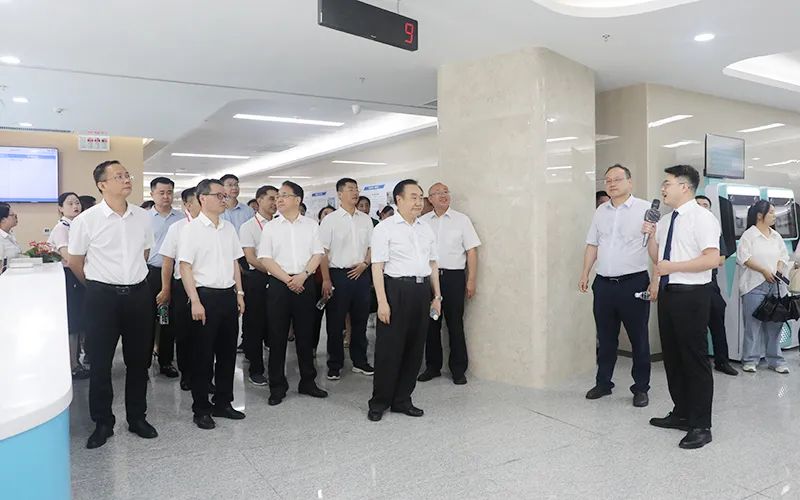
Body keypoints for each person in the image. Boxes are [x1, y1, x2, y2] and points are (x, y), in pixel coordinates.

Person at [68, 160, 158, 449]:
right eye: (118, 176)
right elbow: (75, 262)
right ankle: (103, 422)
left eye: (127, 175)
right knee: (100, 362)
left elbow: (144, 253)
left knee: (138, 361)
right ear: (102, 184)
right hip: (101, 298)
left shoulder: (143, 217)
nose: (126, 179)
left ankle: (137, 418)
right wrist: (98, 287)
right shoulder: (86, 220)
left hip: (139, 295)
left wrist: (129, 279)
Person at [646, 164, 720, 450]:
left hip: (692, 295)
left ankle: (701, 425)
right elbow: (658, 259)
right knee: (673, 357)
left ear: (685, 187)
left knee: (693, 358)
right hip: (668, 293)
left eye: (667, 183)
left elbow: (711, 259)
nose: (663, 188)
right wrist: (651, 235)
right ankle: (681, 413)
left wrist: (673, 267)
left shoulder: (702, 218)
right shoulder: (666, 221)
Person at [367, 179, 442, 422]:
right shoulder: (384, 228)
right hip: (395, 290)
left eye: (420, 197)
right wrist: (382, 302)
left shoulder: (426, 228)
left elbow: (433, 264)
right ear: (398, 200)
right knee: (389, 349)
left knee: (414, 349)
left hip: (421, 292)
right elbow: (377, 267)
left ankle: (402, 399)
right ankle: (379, 402)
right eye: (413, 197)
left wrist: (437, 296)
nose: (419, 202)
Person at [579, 165, 652, 407]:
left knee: (638, 338)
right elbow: (592, 244)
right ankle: (603, 383)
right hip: (604, 284)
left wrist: (656, 281)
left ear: (630, 182)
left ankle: (641, 388)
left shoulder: (645, 209)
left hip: (634, 282)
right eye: (608, 180)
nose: (611, 183)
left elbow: (657, 249)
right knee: (606, 337)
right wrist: (585, 273)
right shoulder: (601, 211)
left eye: (617, 179)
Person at [178, 179, 247, 430]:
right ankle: (201, 409)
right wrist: (195, 300)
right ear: (202, 198)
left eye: (224, 195)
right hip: (204, 297)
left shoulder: (228, 229)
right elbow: (185, 266)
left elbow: (234, 262)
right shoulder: (191, 230)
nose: (223, 199)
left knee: (227, 354)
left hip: (228, 295)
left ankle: (223, 403)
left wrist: (239, 293)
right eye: (218, 195)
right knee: (203, 356)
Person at [258, 181, 327, 406]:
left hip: (305, 283)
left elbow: (317, 254)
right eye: (278, 195)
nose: (279, 199)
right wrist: (288, 280)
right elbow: (265, 258)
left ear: (298, 200)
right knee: (277, 337)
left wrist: (303, 276)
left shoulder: (311, 225)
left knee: (305, 335)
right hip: (280, 284)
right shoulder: (271, 227)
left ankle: (308, 382)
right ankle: (277, 386)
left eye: (284, 195)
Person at [418, 183, 481, 385]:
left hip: (454, 277)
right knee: (431, 324)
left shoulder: (462, 220)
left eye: (445, 192)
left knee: (455, 324)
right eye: (438, 193)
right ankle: (432, 367)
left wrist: (471, 279)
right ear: (430, 199)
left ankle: (458, 369)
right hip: (429, 278)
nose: (443, 195)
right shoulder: (422, 222)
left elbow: (472, 251)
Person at [319, 178, 375, 381]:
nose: (355, 192)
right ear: (340, 194)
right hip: (338, 275)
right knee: (335, 323)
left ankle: (360, 361)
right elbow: (323, 253)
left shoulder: (366, 220)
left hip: (361, 274)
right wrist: (326, 279)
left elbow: (372, 247)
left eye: (357, 189)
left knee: (360, 320)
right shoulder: (330, 220)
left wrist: (365, 264)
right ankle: (335, 364)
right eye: (350, 189)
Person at [736, 200, 790, 374]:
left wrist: (779, 268)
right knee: (753, 325)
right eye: (771, 212)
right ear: (760, 215)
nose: (775, 216)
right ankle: (750, 360)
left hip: (775, 285)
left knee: (775, 324)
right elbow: (744, 258)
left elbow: (783, 256)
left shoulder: (776, 236)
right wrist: (764, 270)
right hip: (754, 285)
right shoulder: (749, 235)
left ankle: (775, 360)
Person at [158, 187, 202, 391]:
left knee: (206, 334)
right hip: (182, 286)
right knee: (184, 333)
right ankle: (187, 374)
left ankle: (205, 375)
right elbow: (168, 261)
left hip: (207, 286)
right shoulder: (177, 228)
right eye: (199, 201)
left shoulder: (216, 226)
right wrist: (166, 288)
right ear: (188, 205)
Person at [238, 185, 279, 386]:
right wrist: (273, 271)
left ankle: (276, 370)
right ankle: (256, 369)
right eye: (271, 198)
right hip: (258, 279)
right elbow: (251, 258)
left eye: (277, 198)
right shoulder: (248, 227)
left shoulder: (280, 224)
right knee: (255, 324)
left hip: (279, 279)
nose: (275, 203)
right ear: (259, 200)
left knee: (275, 324)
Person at [47, 192, 89, 380]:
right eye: (70, 203)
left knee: (80, 322)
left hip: (79, 273)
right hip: (71, 276)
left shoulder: (78, 225)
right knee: (73, 322)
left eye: (77, 203)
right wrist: (85, 281)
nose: (75, 206)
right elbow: (69, 258)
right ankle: (72, 365)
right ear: (60, 208)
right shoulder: (61, 228)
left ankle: (77, 361)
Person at [695, 195, 737, 376]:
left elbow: (719, 260)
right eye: (698, 204)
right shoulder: (683, 229)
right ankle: (700, 363)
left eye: (705, 205)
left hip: (710, 284)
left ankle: (722, 361)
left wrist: (696, 261)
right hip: (688, 285)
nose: (702, 207)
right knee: (696, 328)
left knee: (717, 323)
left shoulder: (714, 230)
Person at [146, 177, 183, 378]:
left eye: (169, 192)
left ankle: (166, 361)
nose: (166, 196)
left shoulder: (181, 219)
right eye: (161, 193)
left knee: (167, 319)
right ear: (152, 194)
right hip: (149, 274)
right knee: (145, 319)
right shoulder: (144, 218)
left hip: (172, 275)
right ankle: (143, 362)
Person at [314, 205, 337, 357]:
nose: (328, 216)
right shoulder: (314, 233)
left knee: (335, 319)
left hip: (336, 280)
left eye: (331, 214)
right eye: (325, 213)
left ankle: (333, 352)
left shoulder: (337, 232)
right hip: (317, 281)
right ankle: (312, 347)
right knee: (315, 317)